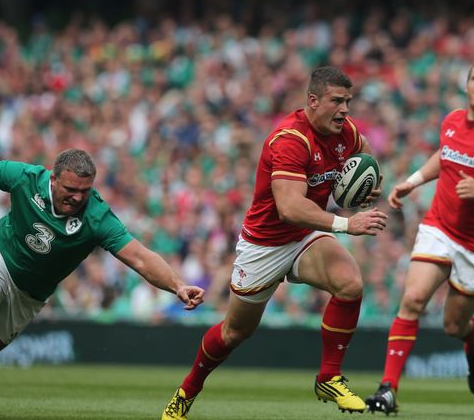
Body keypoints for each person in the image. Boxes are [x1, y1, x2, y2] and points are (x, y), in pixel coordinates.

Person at [0, 134, 206, 419]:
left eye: (85, 192)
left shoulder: (96, 217)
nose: (77, 198)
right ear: (53, 179)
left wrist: (178, 285)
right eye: (70, 190)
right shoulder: (26, 179)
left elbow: (139, 257)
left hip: (30, 294)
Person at [162, 66, 388, 420]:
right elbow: (289, 208)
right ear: (313, 101)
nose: (345, 109)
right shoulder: (290, 139)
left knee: (350, 283)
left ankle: (329, 377)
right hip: (264, 244)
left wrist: (368, 182)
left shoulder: (346, 132)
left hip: (304, 237)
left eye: (348, 101)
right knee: (235, 333)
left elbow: (367, 157)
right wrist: (347, 223)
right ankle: (186, 392)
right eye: (337, 101)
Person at [364, 55, 474, 414]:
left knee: (453, 325)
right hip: (440, 227)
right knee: (413, 298)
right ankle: (388, 390)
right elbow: (444, 155)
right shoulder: (451, 121)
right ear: (466, 85)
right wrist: (413, 182)